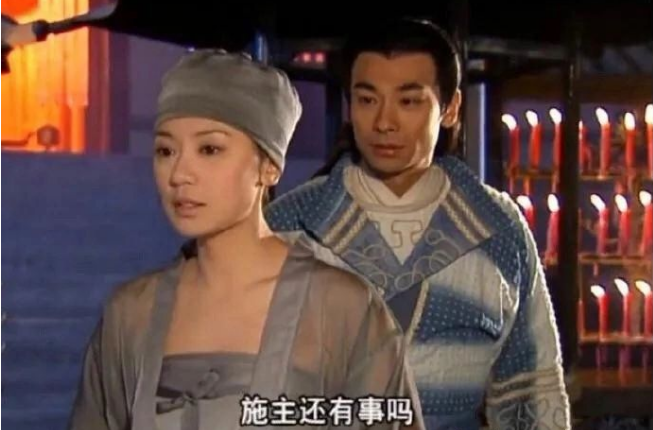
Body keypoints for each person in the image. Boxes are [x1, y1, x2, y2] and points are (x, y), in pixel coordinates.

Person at [68, 49, 425, 430]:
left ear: (268, 167)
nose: (179, 174)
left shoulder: (341, 308)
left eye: (209, 149)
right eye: (165, 151)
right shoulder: (130, 313)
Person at [265, 19, 570, 430]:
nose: (384, 122)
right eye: (367, 100)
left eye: (408, 101)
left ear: (450, 108)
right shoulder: (291, 223)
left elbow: (529, 388)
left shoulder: (496, 227)